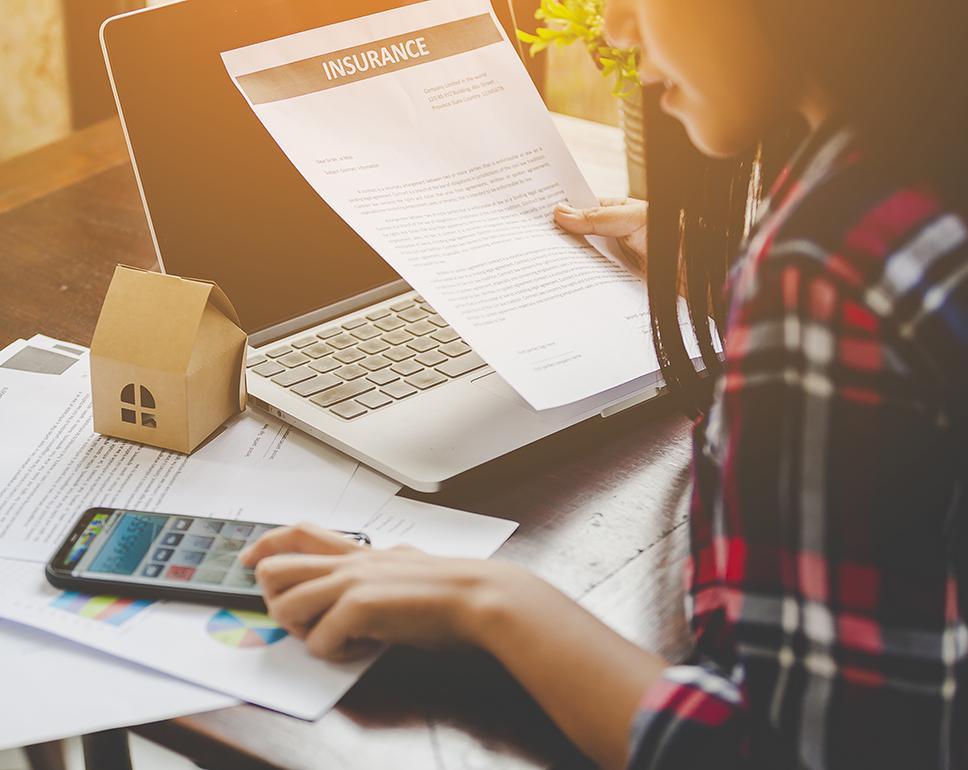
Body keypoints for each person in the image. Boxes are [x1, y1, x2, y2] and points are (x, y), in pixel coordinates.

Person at [241, 0, 968, 766]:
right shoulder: (909, 175)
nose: (618, 27)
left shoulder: (827, 272)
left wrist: (496, 601)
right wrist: (738, 282)